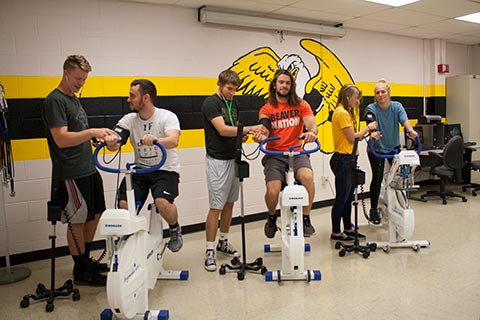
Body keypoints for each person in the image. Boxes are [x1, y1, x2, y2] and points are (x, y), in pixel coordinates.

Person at [41, 55, 118, 286]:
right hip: (71, 172)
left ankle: (85, 261)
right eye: (78, 78)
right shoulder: (55, 101)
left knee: (94, 215)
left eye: (84, 79)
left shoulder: (74, 99)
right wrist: (93, 131)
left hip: (88, 168)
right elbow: (62, 139)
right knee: (77, 221)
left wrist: (98, 140)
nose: (81, 83)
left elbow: (78, 134)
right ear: (65, 73)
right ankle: (80, 270)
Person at [105, 79, 183, 253]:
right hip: (140, 169)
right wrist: (110, 142)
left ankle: (174, 229)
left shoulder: (166, 116)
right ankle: (133, 238)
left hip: (165, 170)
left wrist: (155, 140)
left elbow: (173, 140)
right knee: (125, 205)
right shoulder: (129, 119)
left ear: (145, 98)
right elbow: (116, 141)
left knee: (162, 202)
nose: (128, 99)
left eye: (132, 96)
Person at [201, 70, 266, 271]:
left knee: (230, 204)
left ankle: (223, 241)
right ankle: (209, 250)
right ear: (219, 84)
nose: (232, 92)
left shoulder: (233, 104)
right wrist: (248, 129)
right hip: (217, 160)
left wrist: (244, 135)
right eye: (229, 88)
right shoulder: (210, 103)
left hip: (234, 157)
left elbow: (235, 127)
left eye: (235, 89)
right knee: (216, 206)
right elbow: (222, 129)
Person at [252, 69, 318, 239]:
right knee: (273, 191)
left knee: (308, 177)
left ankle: (306, 217)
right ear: (274, 84)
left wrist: (311, 133)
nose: (284, 85)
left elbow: (312, 125)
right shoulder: (267, 108)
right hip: (274, 155)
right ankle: (272, 216)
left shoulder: (301, 104)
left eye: (288, 83)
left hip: (297, 153)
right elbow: (264, 127)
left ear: (292, 86)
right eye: (281, 82)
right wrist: (260, 136)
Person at [330, 84, 380, 242]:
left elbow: (352, 139)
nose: (357, 101)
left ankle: (348, 228)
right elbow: (352, 138)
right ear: (347, 97)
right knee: (342, 197)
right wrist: (368, 128)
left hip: (349, 159)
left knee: (348, 197)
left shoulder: (346, 113)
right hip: (342, 160)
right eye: (355, 97)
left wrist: (368, 136)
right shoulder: (342, 113)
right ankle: (336, 232)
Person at [365, 79, 417, 224]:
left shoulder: (396, 107)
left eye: (383, 92)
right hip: (376, 149)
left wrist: (410, 130)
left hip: (393, 147)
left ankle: (401, 206)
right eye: (377, 93)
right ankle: (374, 209)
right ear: (375, 96)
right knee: (377, 177)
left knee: (400, 176)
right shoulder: (371, 108)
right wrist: (373, 132)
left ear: (388, 93)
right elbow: (370, 123)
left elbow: (405, 121)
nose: (381, 95)